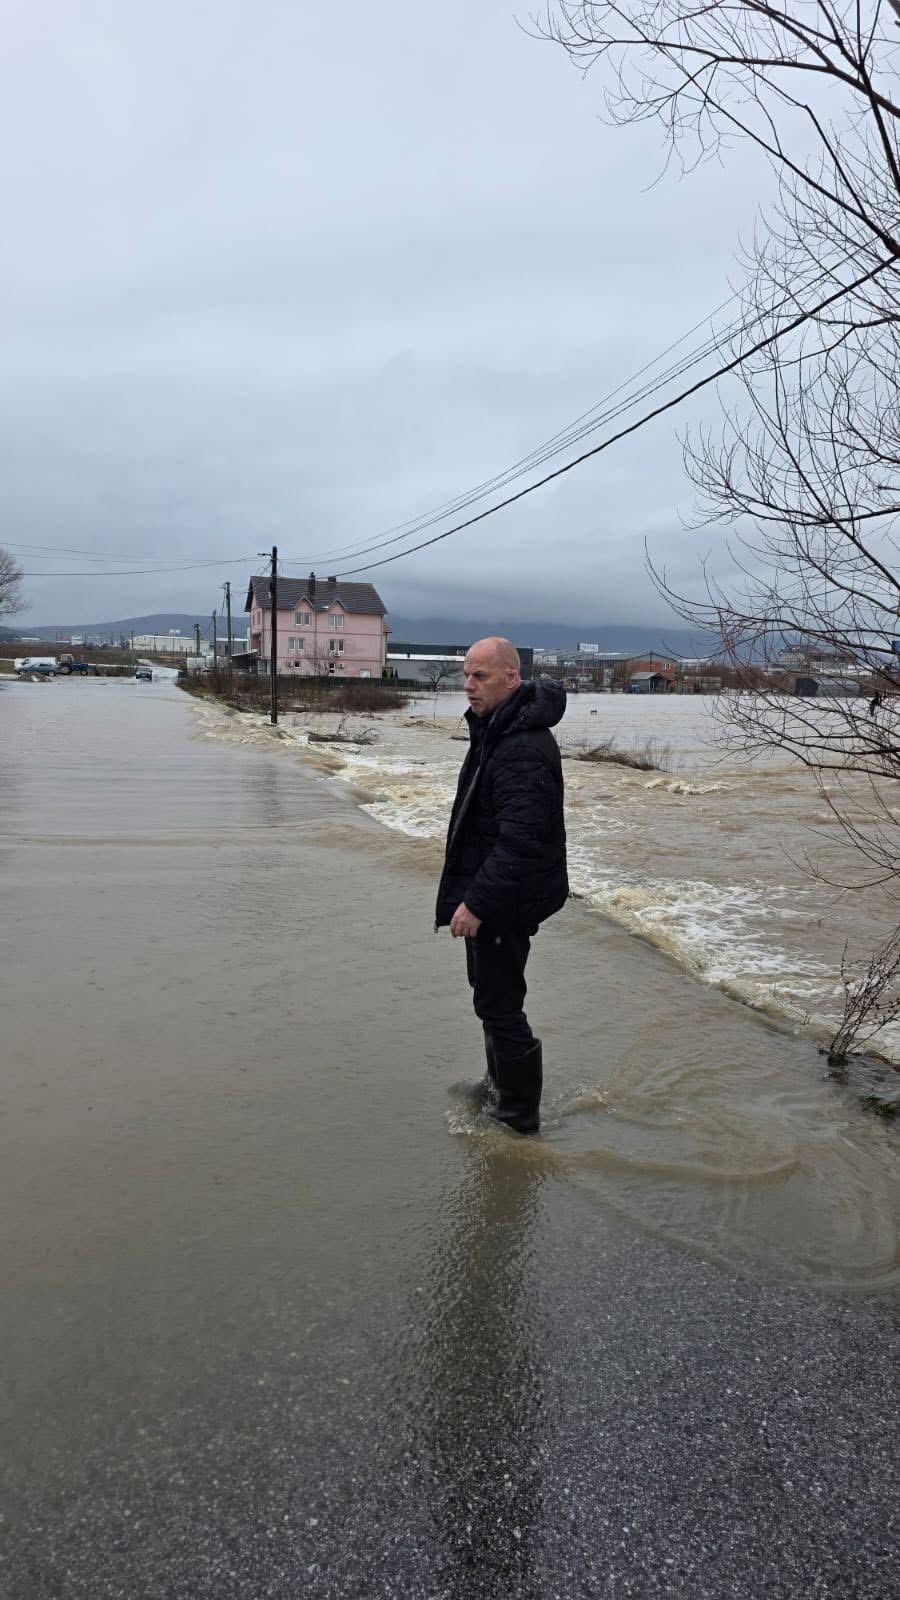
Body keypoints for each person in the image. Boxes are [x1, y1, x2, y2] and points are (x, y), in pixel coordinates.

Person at [435, 637, 568, 1134]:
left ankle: (518, 1118)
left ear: (511, 678)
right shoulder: (498, 727)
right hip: (499, 892)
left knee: (500, 1003)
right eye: (466, 675)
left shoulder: (522, 746)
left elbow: (519, 841)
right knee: (489, 996)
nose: (468, 686)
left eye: (480, 676)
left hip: (507, 900)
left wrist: (475, 903)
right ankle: (498, 1087)